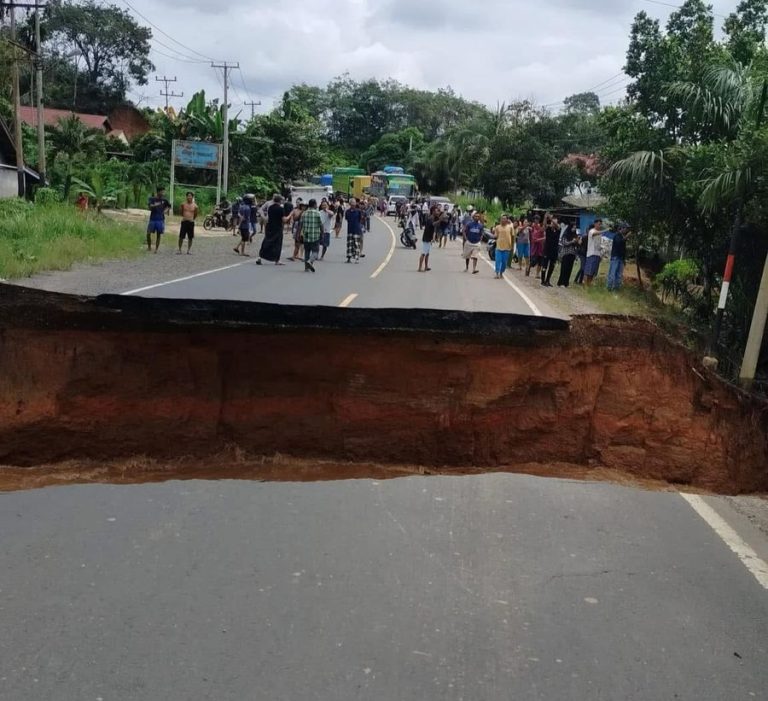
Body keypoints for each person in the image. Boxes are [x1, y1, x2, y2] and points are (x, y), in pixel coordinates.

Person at [256, 194, 288, 265]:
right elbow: (284, 220)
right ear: (280, 201)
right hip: (277, 228)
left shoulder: (270, 207)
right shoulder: (280, 209)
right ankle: (277, 260)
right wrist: (289, 216)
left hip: (269, 226)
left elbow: (266, 214)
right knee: (277, 244)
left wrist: (264, 217)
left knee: (266, 241)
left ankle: (260, 257)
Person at [300, 199, 323, 273]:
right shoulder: (317, 213)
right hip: (315, 235)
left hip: (306, 235)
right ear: (314, 205)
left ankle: (306, 268)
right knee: (315, 251)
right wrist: (322, 234)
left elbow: (300, 225)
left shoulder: (304, 213)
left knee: (307, 251)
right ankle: (310, 261)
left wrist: (298, 234)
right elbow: (321, 225)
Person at [146, 186, 171, 253]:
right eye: (162, 191)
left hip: (160, 219)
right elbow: (150, 207)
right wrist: (156, 205)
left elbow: (169, 206)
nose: (163, 193)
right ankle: (149, 247)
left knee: (158, 234)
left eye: (163, 191)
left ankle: (156, 249)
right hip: (153, 218)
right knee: (148, 233)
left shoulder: (164, 200)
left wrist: (165, 211)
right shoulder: (152, 199)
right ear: (158, 192)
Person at [607, 224, 631, 291]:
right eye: (626, 229)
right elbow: (618, 243)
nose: (627, 230)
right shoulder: (617, 235)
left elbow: (623, 249)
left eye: (627, 229)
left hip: (621, 258)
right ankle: (609, 288)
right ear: (622, 228)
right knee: (612, 273)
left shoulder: (622, 236)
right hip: (615, 257)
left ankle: (616, 289)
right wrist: (626, 237)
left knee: (619, 275)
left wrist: (624, 259)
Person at [492, 214, 514, 279]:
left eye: (504, 219)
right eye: (502, 219)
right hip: (499, 247)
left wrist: (512, 245)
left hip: (507, 247)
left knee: (504, 262)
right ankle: (497, 273)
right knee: (498, 261)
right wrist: (494, 236)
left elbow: (512, 237)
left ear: (507, 220)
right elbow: (495, 236)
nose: (503, 220)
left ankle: (501, 273)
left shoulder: (510, 227)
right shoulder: (497, 227)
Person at [557, 223, 579, 287]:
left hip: (572, 254)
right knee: (564, 269)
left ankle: (566, 283)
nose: (574, 229)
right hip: (566, 254)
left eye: (575, 228)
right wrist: (572, 241)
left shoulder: (575, 235)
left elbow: (577, 246)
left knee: (569, 269)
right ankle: (561, 282)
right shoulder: (565, 234)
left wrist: (577, 242)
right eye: (573, 227)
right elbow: (564, 243)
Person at [541, 215, 561, 287]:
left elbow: (557, 226)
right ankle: (543, 280)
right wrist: (545, 217)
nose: (553, 223)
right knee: (544, 266)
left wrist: (551, 219)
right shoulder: (548, 229)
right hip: (547, 250)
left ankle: (548, 280)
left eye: (555, 222)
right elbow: (544, 225)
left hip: (554, 251)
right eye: (552, 222)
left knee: (552, 266)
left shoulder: (558, 230)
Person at [585, 218, 604, 286]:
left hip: (598, 254)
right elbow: (594, 234)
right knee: (589, 271)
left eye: (600, 224)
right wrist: (605, 230)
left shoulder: (600, 233)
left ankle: (589, 285)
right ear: (595, 224)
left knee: (594, 272)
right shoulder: (592, 231)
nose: (600, 225)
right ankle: (586, 285)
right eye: (599, 224)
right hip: (591, 253)